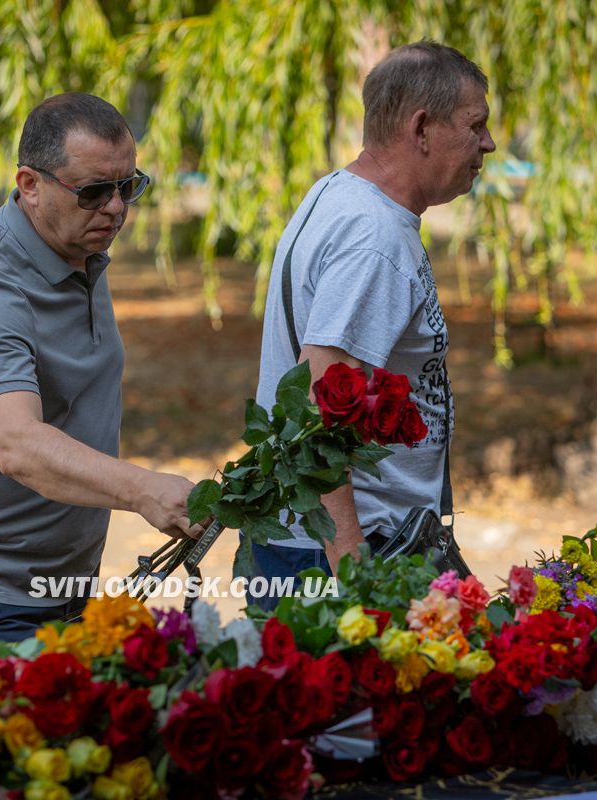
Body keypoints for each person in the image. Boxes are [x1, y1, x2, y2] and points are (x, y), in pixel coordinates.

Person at [0, 93, 200, 645]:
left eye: (127, 186)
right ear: (30, 186)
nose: (114, 208)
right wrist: (143, 490)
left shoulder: (76, 246)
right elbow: (19, 446)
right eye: (92, 192)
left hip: (60, 584)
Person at [248, 41, 496, 609]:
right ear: (422, 128)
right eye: (475, 124)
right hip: (345, 551)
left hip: (323, 541)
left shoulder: (340, 194)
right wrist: (352, 566)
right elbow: (320, 399)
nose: (488, 143)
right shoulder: (374, 240)